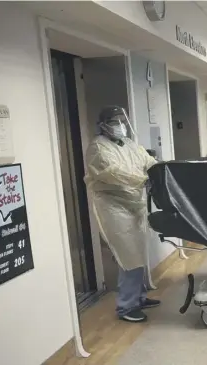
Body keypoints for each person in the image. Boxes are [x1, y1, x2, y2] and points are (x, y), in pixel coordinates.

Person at [84, 106, 161, 323]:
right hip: (113, 206)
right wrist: (144, 180)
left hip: (134, 205)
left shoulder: (129, 144)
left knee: (139, 252)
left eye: (122, 121)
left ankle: (139, 297)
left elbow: (148, 162)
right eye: (115, 122)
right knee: (128, 256)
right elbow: (114, 173)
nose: (120, 126)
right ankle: (126, 307)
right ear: (103, 125)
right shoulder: (98, 148)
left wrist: (161, 172)